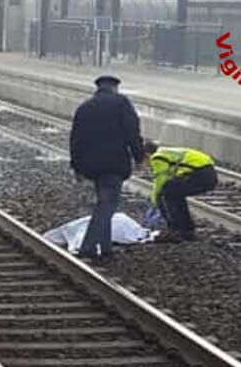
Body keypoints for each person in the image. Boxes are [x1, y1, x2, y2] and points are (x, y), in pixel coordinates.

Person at [69, 75, 144, 259]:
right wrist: (139, 156)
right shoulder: (121, 103)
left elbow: (75, 140)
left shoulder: (85, 107)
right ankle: (88, 247)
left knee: (104, 202)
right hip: (114, 163)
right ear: (115, 88)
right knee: (107, 206)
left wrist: (77, 167)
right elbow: (132, 132)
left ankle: (106, 247)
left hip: (91, 165)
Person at [144, 140, 218, 242]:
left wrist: (155, 199)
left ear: (146, 155)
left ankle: (176, 229)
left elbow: (161, 180)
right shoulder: (165, 152)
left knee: (167, 193)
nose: (145, 164)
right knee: (175, 194)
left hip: (200, 174)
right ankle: (186, 230)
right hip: (207, 174)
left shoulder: (157, 157)